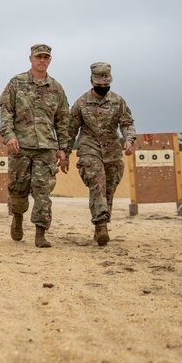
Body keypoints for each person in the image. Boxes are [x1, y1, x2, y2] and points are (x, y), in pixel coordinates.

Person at [0, 44, 71, 248]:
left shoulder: (56, 89)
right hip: (19, 147)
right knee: (18, 189)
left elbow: (63, 122)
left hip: (46, 148)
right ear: (30, 58)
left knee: (43, 191)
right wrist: (9, 136)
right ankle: (18, 217)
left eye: (46, 57)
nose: (42, 60)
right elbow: (6, 113)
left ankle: (40, 233)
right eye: (39, 57)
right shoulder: (16, 83)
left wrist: (63, 149)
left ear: (50, 60)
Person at [66, 62, 136, 246]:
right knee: (97, 183)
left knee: (108, 190)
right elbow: (70, 130)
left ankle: (100, 225)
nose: (103, 88)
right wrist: (64, 154)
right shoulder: (81, 103)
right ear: (92, 81)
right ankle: (101, 223)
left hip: (112, 151)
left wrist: (129, 140)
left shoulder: (117, 101)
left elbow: (127, 123)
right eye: (100, 84)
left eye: (107, 84)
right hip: (89, 149)